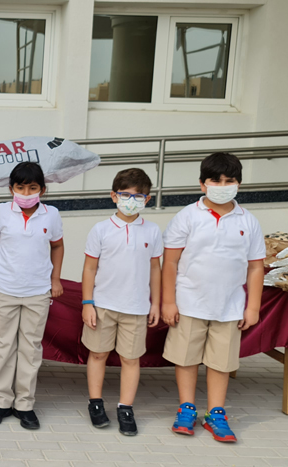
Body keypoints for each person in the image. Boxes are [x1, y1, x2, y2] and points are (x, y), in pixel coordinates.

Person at [162, 152, 264, 443]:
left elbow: (256, 267)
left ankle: (216, 414)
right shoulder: (187, 216)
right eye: (215, 180)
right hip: (189, 302)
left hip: (229, 306)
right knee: (186, 358)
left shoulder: (249, 221)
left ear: (239, 185)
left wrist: (252, 306)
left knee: (221, 362)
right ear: (202, 184)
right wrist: (169, 301)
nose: (222, 185)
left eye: (229, 181)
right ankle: (186, 409)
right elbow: (169, 262)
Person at [0, 162, 64, 431]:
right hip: (3, 289)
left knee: (31, 349)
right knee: (4, 347)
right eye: (20, 187)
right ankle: (1, 401)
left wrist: (55, 279)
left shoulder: (52, 215)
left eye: (33, 188)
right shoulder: (1, 212)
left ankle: (24, 404)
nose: (26, 193)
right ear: (11, 188)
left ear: (43, 189)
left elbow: (58, 246)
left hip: (38, 292)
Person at [80, 168, 162, 437]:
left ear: (147, 199)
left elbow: (155, 270)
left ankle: (126, 407)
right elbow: (90, 269)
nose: (131, 200)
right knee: (98, 354)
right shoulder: (101, 229)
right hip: (102, 305)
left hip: (136, 308)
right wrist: (87, 302)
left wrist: (156, 304)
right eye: (125, 194)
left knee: (130, 359)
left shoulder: (152, 231)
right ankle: (95, 403)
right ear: (113, 196)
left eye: (138, 196)